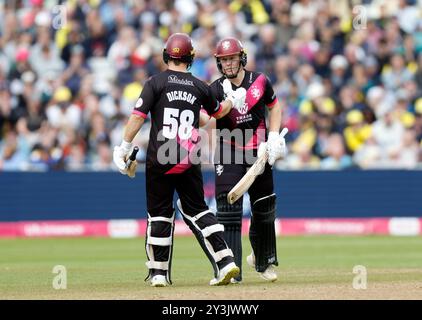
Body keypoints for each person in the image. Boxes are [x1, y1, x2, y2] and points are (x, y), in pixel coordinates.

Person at [113, 33, 246, 287]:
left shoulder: (155, 83)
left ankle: (159, 273)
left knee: (159, 215)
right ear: (191, 57)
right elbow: (213, 116)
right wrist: (232, 101)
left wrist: (124, 146)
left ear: (167, 56)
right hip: (187, 159)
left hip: (160, 159)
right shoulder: (200, 87)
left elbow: (138, 117)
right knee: (199, 211)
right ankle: (226, 260)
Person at [206, 37, 287, 283]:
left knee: (264, 209)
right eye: (223, 60)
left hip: (259, 151)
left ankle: (262, 262)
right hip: (228, 151)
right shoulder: (215, 89)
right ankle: (231, 271)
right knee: (228, 212)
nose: (228, 64)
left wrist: (273, 137)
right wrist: (228, 104)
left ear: (241, 57)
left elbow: (274, 107)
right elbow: (208, 119)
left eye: (231, 58)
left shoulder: (260, 81)